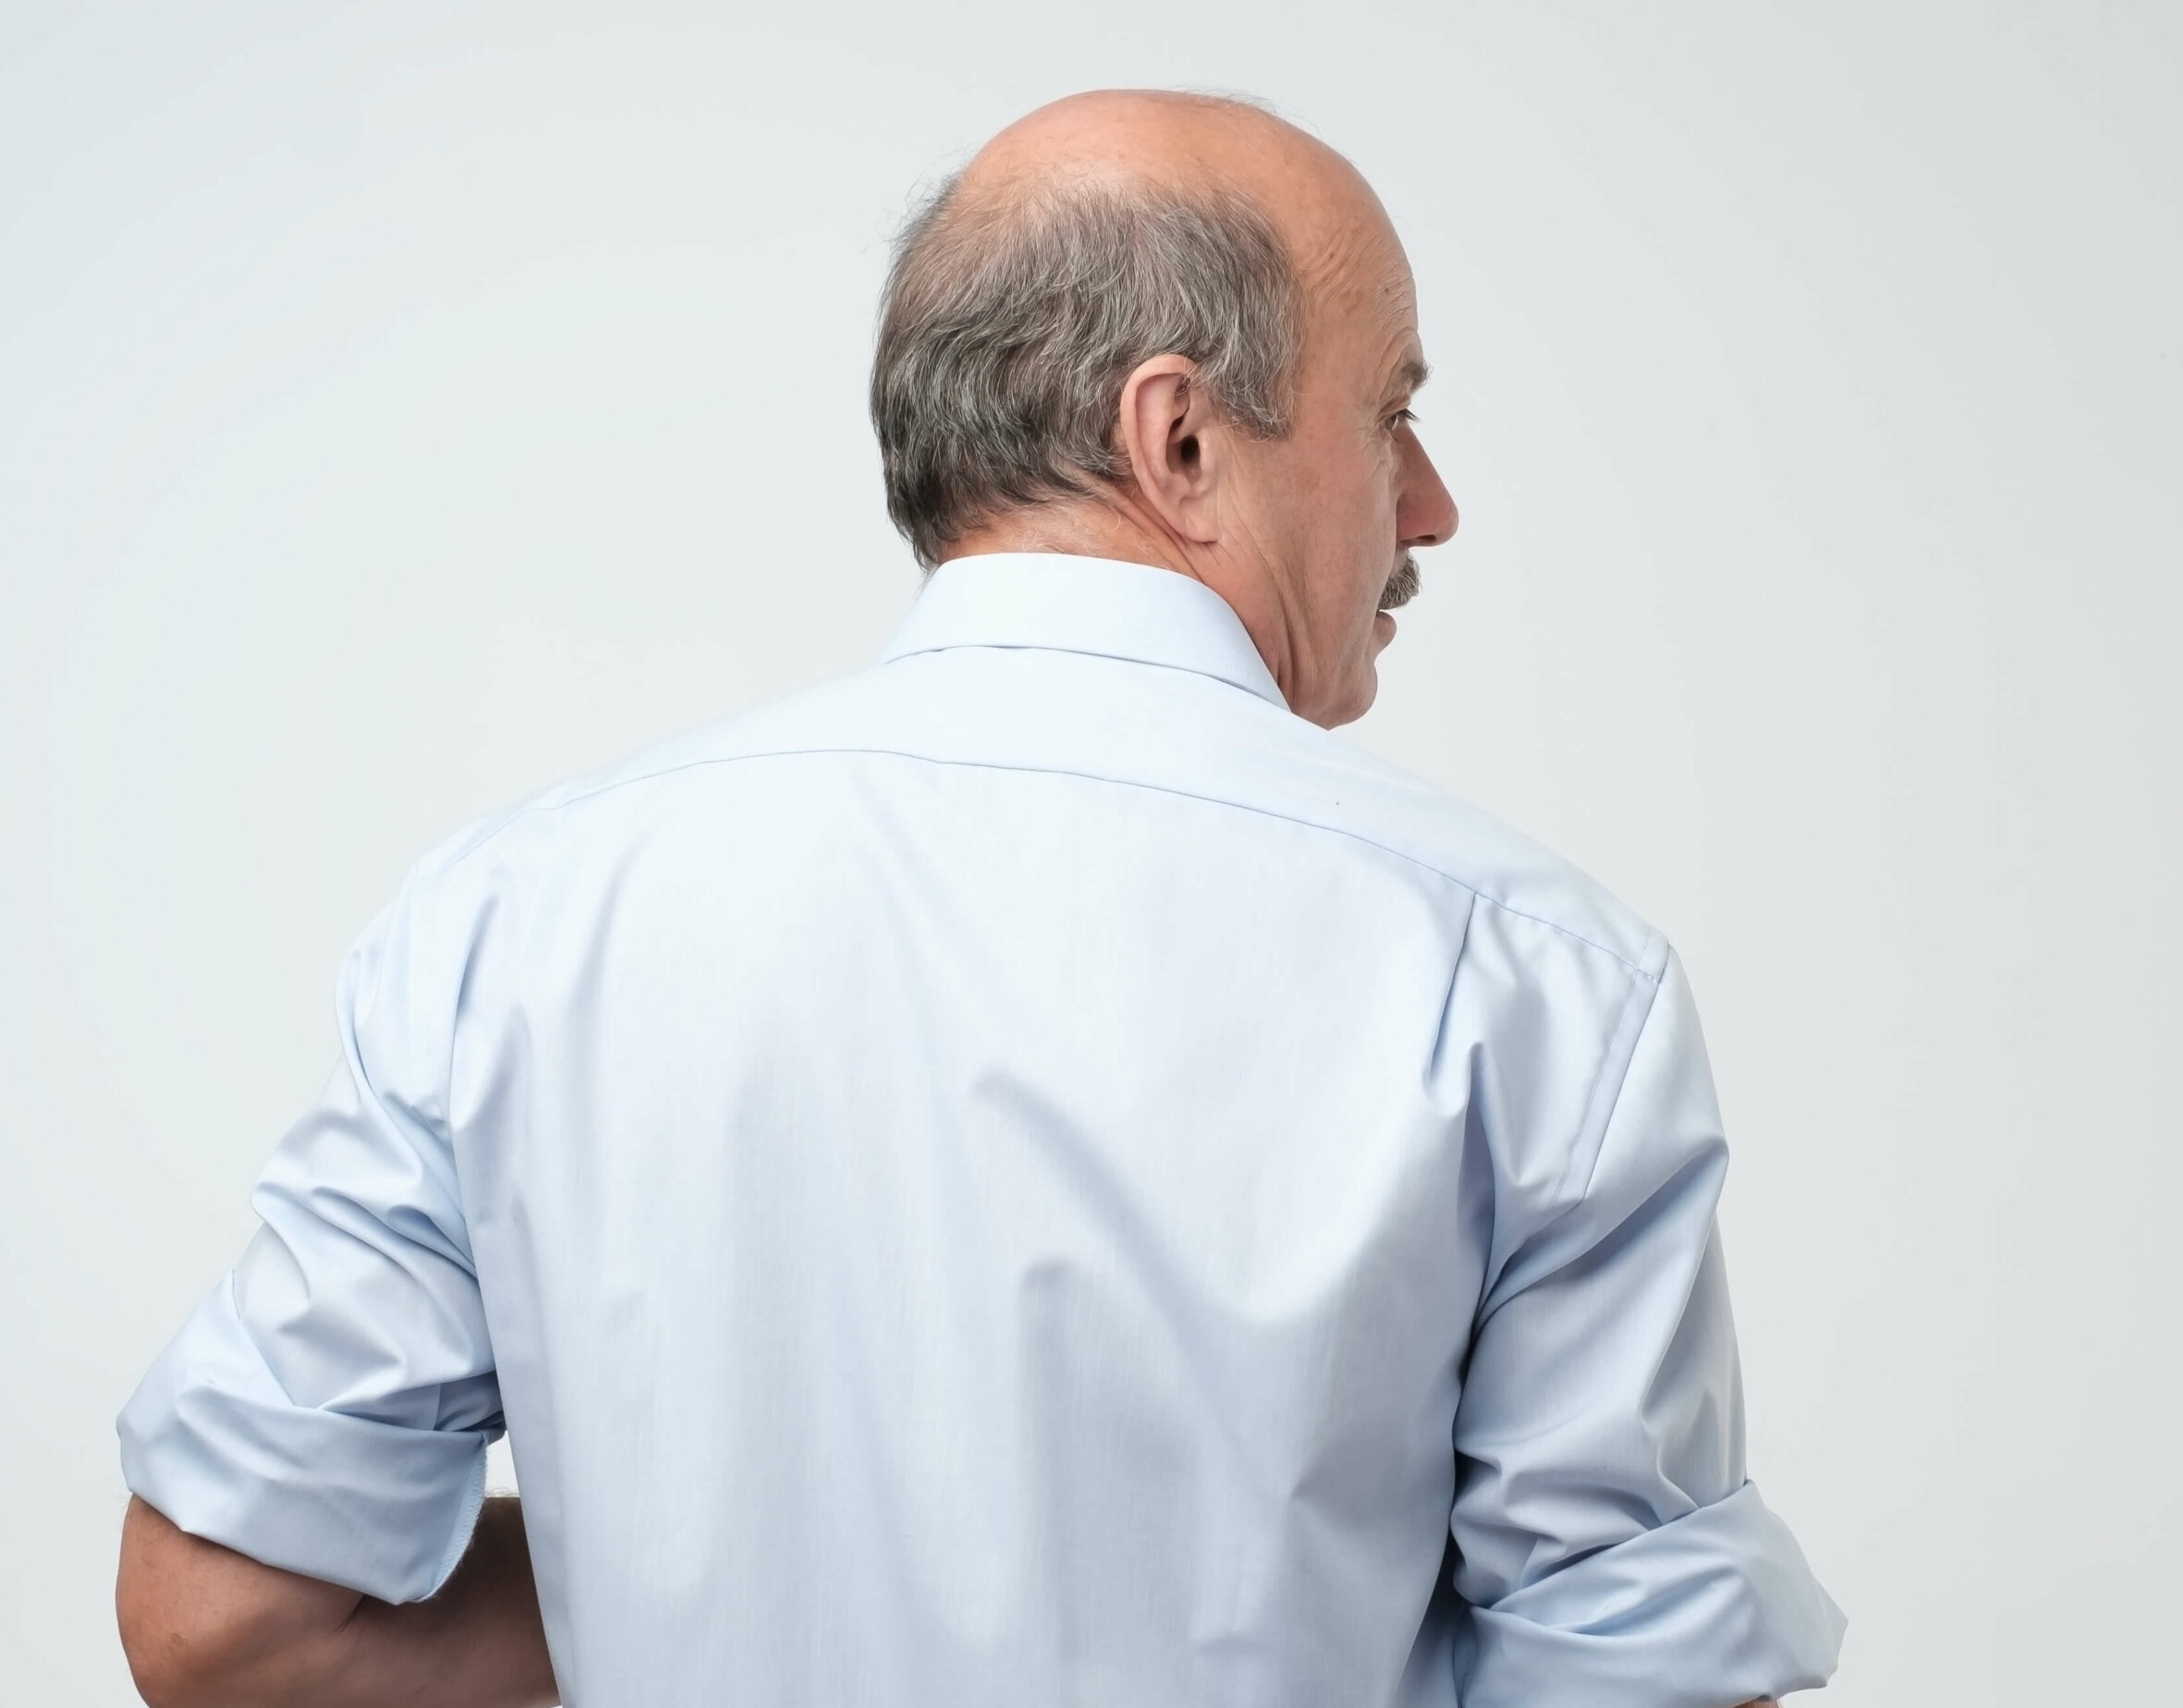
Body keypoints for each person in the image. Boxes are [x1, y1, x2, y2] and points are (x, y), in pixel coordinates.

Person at [114, 91, 1845, 1707]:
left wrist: (668, 1574)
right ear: (1177, 438)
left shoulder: (510, 923)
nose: (1432, 503)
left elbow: (230, 1618)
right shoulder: (1528, 979)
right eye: (1390, 412)